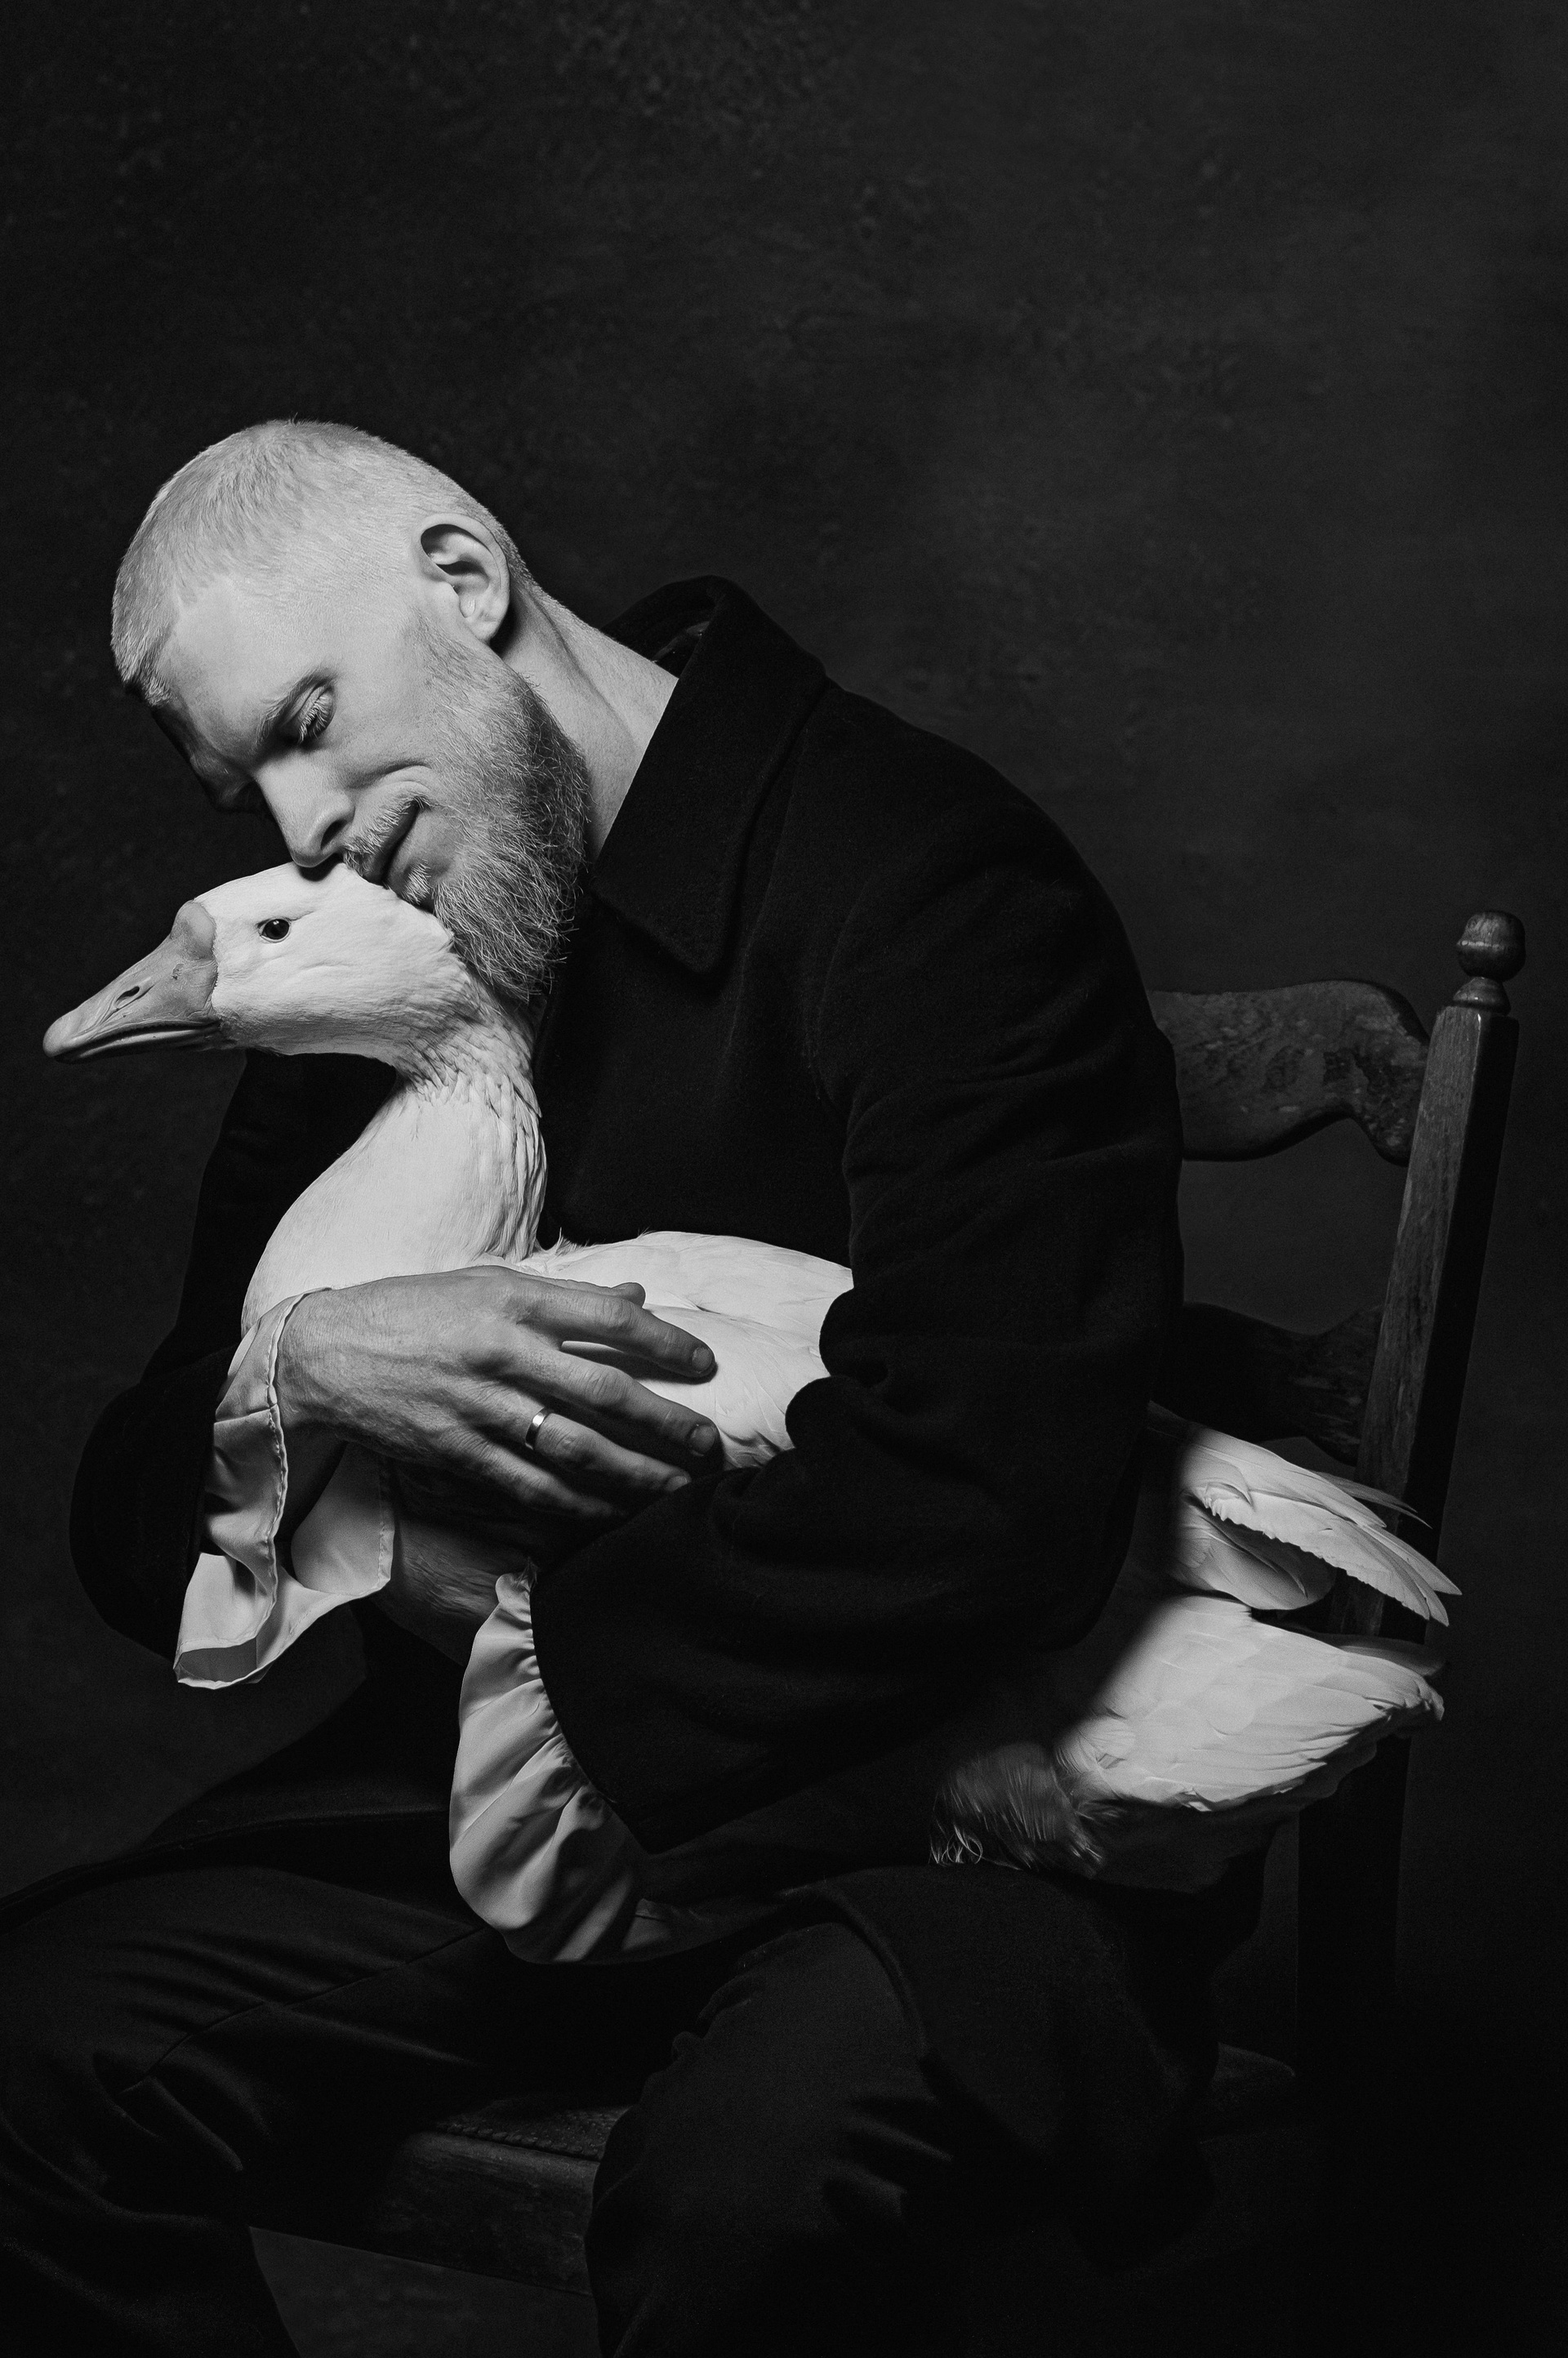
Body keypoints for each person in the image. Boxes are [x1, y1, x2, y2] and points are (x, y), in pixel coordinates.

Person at [0, 423, 1261, 2356]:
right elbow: (127, 1513)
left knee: (752, 2187)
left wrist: (515, 1636)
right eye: (248, 780)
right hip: (473, 1807)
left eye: (310, 722)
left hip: (949, 1809)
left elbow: (986, 1490)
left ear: (465, 578)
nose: (300, 823)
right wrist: (300, 1361)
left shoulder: (930, 879)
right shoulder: (387, 950)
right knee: (28, 2054)